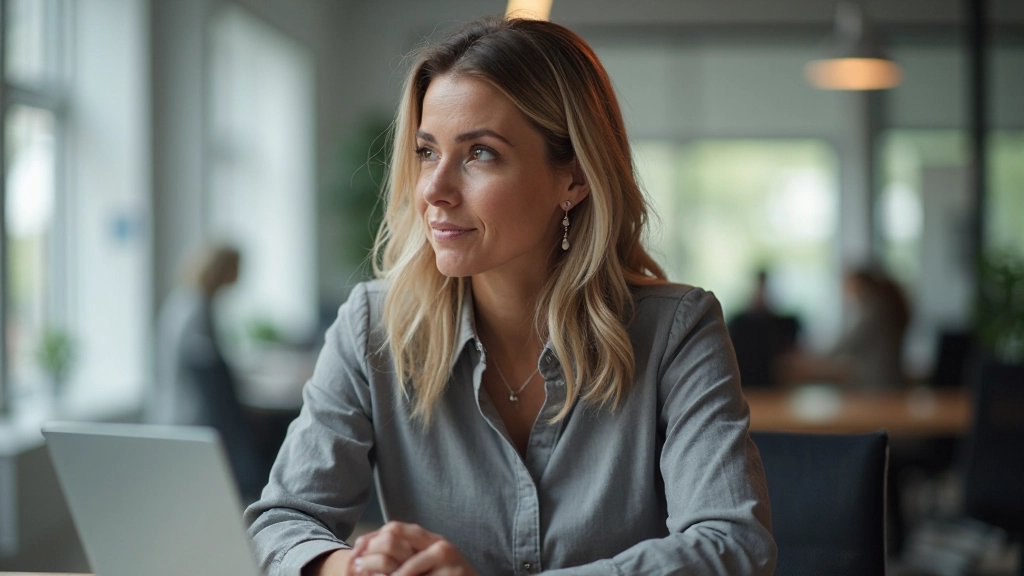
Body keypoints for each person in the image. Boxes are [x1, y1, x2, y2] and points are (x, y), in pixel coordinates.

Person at [244, 16, 775, 576]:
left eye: (480, 154)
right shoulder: (373, 326)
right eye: (427, 152)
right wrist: (348, 569)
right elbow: (279, 522)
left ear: (573, 178)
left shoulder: (678, 331)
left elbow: (733, 546)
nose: (434, 190)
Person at [149, 243, 267, 499]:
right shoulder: (195, 309)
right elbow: (207, 371)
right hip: (188, 419)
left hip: (174, 412)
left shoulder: (184, 302)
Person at [727, 269, 800, 388]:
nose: (761, 292)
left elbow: (792, 358)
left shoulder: (784, 324)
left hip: (774, 389)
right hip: (745, 388)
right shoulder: (738, 323)